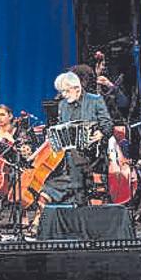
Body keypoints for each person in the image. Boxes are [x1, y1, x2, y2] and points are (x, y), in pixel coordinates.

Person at [38, 70, 114, 206]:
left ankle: (52, 193)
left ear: (77, 88)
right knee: (69, 156)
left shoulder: (95, 100)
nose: (64, 95)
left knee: (73, 159)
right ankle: (73, 197)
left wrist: (101, 133)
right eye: (62, 92)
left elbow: (108, 125)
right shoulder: (63, 105)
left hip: (92, 152)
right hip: (70, 154)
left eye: (66, 91)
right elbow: (61, 127)